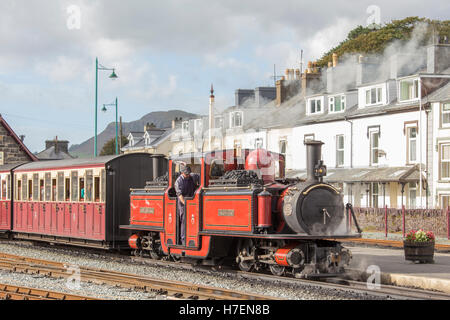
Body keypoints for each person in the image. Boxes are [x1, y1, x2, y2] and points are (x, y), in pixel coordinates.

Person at [174, 165, 200, 245]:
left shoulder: (192, 176)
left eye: (189, 173)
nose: (188, 175)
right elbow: (180, 195)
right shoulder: (178, 182)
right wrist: (186, 204)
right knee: (184, 220)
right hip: (183, 203)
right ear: (182, 173)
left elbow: (200, 176)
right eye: (186, 174)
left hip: (192, 200)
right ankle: (184, 240)